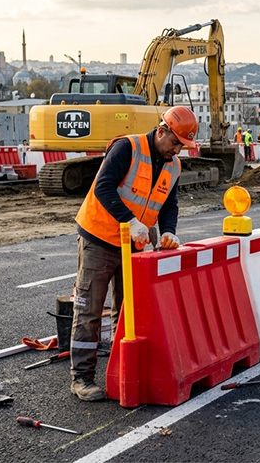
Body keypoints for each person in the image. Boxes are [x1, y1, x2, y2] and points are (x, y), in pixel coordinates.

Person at [69, 105, 196, 401]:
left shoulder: (173, 165)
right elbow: (103, 187)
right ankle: (82, 378)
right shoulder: (127, 147)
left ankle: (119, 371)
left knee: (128, 312)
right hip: (100, 239)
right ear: (161, 131)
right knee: (89, 310)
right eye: (175, 142)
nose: (177, 150)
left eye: (182, 145)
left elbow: (169, 204)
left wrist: (168, 230)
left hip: (134, 246)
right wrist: (130, 220)